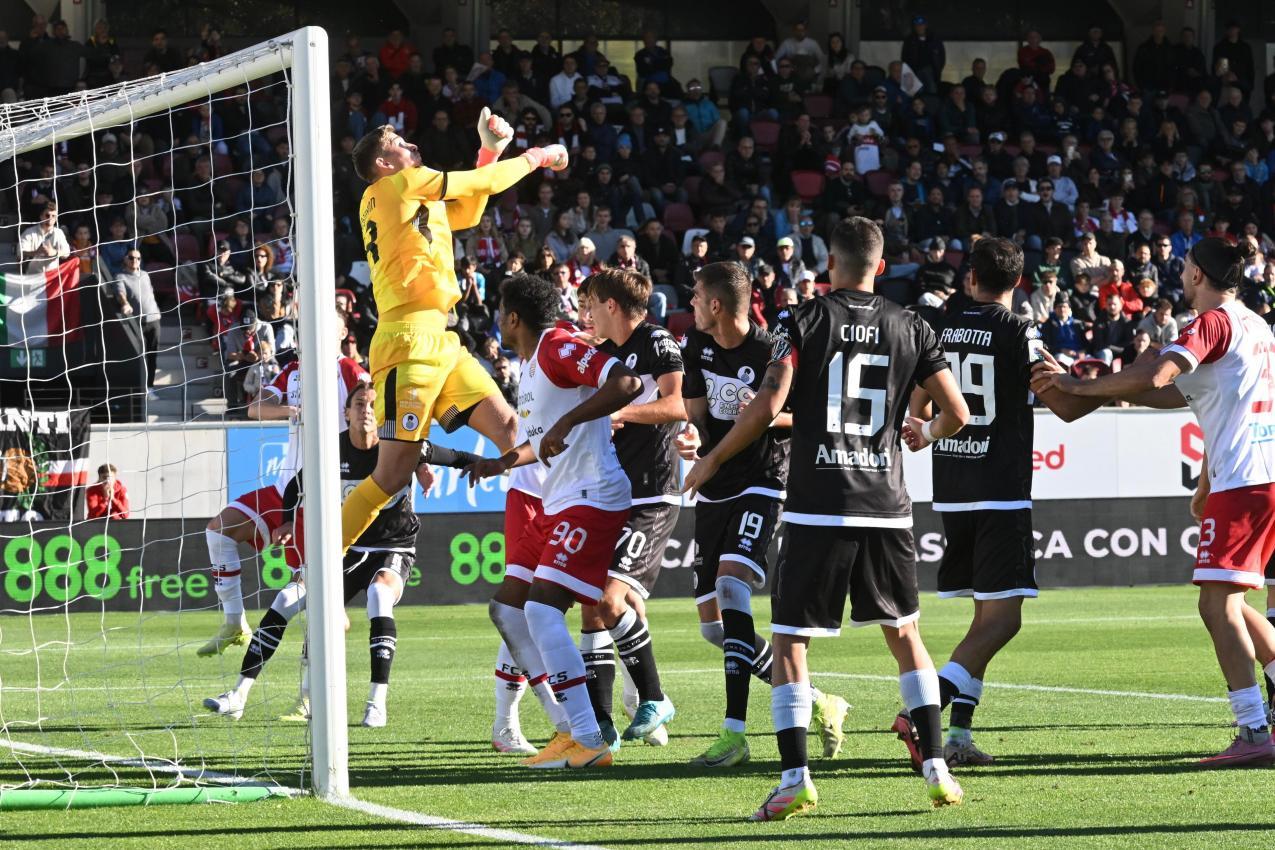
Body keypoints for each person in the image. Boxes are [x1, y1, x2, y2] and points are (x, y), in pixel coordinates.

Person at [684, 218, 971, 817]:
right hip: (887, 505)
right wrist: (926, 430)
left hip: (819, 504)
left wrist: (711, 458)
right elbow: (959, 414)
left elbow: (768, 403)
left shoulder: (802, 319)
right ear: (882, 266)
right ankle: (938, 769)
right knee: (906, 636)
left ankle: (795, 780)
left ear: (828, 266)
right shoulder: (913, 324)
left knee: (790, 643)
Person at [1033, 237, 1275, 766]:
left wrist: (1078, 382)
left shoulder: (1209, 322)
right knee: (1231, 600)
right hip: (1258, 475)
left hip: (1245, 480)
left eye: (1186, 267)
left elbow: (1158, 374)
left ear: (1196, 276)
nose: (1182, 274)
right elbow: (1176, 393)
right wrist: (1087, 393)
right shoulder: (1255, 323)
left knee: (1217, 605)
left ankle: (1255, 733)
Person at [340, 112, 567, 556]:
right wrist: (538, 156)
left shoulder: (405, 199)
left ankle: (550, 550)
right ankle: (312, 572)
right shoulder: (400, 185)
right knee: (390, 476)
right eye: (401, 143)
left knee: (510, 429)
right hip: (407, 340)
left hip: (441, 339)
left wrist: (488, 151)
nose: (412, 146)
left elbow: (467, 207)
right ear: (385, 164)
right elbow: (486, 187)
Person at [203, 382, 481, 726]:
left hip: (391, 547)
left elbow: (456, 457)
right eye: (359, 403)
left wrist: (494, 465)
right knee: (286, 599)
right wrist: (287, 521)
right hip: (344, 547)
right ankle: (239, 695)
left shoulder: (403, 448)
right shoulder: (331, 451)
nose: (366, 409)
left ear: (380, 415)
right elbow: (294, 487)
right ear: (346, 413)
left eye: (372, 405)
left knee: (379, 594)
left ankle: (376, 702)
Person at [905, 237, 1075, 768]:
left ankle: (956, 738)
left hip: (953, 490)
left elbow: (918, 403)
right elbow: (1063, 407)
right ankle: (922, 712)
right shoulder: (1020, 332)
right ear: (1019, 282)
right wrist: (1084, 388)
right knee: (1004, 622)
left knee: (984, 620)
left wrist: (929, 430)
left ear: (969, 278)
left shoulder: (941, 328)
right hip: (1000, 492)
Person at [677, 260, 848, 773]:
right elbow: (694, 410)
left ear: (716, 305)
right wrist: (694, 439)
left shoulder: (773, 346)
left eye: (695, 296)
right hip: (714, 484)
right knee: (716, 630)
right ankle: (817, 698)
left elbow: (810, 413)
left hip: (762, 481)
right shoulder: (695, 344)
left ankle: (734, 732)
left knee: (733, 588)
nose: (689, 304)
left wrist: (768, 412)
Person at [467, 274, 643, 770]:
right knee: (516, 610)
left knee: (541, 612)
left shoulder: (556, 346)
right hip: (560, 499)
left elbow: (625, 381)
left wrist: (569, 422)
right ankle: (574, 731)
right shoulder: (529, 366)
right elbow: (543, 439)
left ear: (514, 318)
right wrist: (502, 462)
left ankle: (587, 736)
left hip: (592, 493)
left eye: (501, 313)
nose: (498, 322)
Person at [573, 270, 684, 747]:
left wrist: (620, 413)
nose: (588, 314)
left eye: (591, 305)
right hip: (614, 492)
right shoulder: (607, 355)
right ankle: (602, 725)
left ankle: (653, 698)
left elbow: (677, 403)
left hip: (653, 493)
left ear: (611, 305)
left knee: (608, 599)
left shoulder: (655, 340)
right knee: (593, 605)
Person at [198, 352, 369, 656]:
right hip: (284, 488)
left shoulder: (347, 369)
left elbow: (373, 409)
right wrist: (293, 410)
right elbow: (254, 409)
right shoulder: (292, 370)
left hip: (323, 493)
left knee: (310, 593)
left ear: (341, 331)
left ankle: (309, 692)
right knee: (219, 530)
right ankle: (235, 622)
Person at [110, 248, 162, 390]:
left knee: (152, 356)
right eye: (132, 258)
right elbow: (121, 293)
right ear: (125, 259)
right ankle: (141, 388)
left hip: (154, 320)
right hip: (137, 323)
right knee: (140, 357)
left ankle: (149, 387)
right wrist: (125, 304)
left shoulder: (145, 274)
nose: (135, 261)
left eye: (138, 258)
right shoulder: (120, 276)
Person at [19, 202, 69, 274]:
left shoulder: (59, 233)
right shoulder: (29, 232)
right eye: (47, 215)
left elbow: (67, 252)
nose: (50, 218)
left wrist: (54, 252)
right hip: (32, 276)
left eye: (53, 216)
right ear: (41, 216)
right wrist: (36, 252)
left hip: (52, 277)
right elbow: (20, 252)